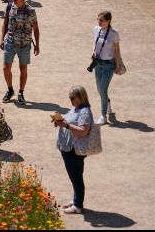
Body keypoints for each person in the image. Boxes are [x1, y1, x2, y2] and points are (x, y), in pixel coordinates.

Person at [53, 86, 93, 214]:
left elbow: (83, 131)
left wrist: (65, 125)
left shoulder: (85, 111)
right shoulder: (76, 108)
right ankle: (76, 199)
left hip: (74, 149)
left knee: (76, 176)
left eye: (72, 98)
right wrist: (59, 121)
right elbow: (69, 122)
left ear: (80, 97)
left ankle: (78, 205)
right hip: (68, 148)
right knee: (73, 176)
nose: (70, 100)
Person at [1, 0, 40, 105]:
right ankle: (10, 89)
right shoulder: (9, 7)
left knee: (23, 69)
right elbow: (5, 23)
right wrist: (2, 39)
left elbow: (36, 29)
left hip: (25, 44)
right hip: (10, 42)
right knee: (5, 68)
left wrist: (37, 45)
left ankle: (21, 92)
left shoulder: (30, 10)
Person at [91, 11, 126, 124]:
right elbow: (94, 43)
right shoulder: (96, 29)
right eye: (98, 19)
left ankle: (103, 115)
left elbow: (117, 50)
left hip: (108, 65)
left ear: (108, 21)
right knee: (100, 90)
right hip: (98, 64)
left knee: (102, 90)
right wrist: (93, 51)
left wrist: (118, 64)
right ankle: (108, 103)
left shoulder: (114, 33)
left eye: (102, 20)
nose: (99, 22)